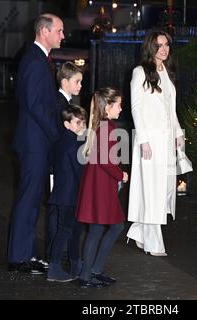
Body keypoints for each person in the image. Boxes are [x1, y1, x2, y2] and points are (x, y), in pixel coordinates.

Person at [8, 13, 65, 274]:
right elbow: (34, 104)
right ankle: (19, 257)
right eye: (60, 31)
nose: (63, 36)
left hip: (37, 141)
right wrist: (56, 132)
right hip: (34, 142)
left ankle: (28, 255)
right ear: (45, 31)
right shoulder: (34, 60)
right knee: (28, 199)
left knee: (32, 200)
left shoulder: (38, 58)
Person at [126, 30, 184, 256]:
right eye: (159, 45)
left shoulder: (167, 73)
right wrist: (144, 140)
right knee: (151, 189)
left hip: (167, 140)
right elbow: (136, 108)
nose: (164, 48)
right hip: (150, 141)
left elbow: (171, 109)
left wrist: (178, 134)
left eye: (166, 44)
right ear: (151, 47)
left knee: (163, 188)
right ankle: (152, 240)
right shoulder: (140, 72)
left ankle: (139, 231)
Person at [75, 87, 129, 288]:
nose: (121, 109)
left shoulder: (101, 125)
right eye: (118, 105)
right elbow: (106, 161)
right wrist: (121, 174)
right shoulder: (109, 127)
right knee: (113, 226)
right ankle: (89, 273)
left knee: (98, 229)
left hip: (97, 182)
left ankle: (90, 272)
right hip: (102, 184)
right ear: (107, 107)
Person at [46, 61, 83, 259]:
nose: (80, 86)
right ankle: (55, 255)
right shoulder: (60, 104)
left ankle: (60, 252)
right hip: (60, 164)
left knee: (59, 210)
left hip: (62, 162)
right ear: (65, 81)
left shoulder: (65, 103)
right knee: (58, 211)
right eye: (77, 81)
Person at [46, 105, 87, 282]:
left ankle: (75, 263)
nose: (82, 125)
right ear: (67, 124)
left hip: (68, 193)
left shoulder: (65, 140)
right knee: (66, 230)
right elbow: (79, 169)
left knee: (74, 229)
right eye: (78, 122)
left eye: (83, 122)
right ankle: (54, 267)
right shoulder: (72, 142)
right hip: (69, 194)